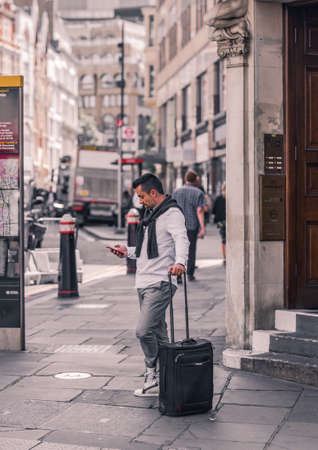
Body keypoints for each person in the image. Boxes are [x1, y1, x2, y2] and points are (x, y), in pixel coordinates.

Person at [109, 173, 189, 397]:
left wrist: (181, 262)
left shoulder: (171, 214)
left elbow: (182, 239)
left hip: (160, 282)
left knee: (143, 331)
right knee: (159, 334)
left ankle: (151, 371)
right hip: (144, 281)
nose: (140, 201)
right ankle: (168, 379)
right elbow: (147, 252)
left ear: (154, 193)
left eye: (142, 196)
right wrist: (127, 251)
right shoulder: (150, 216)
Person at [172, 170, 206, 282]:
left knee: (178, 248)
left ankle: (178, 274)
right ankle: (190, 273)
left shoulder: (176, 192)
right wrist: (203, 228)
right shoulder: (198, 193)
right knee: (191, 249)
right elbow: (200, 210)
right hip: (192, 226)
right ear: (195, 179)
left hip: (178, 225)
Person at [212, 183, 226, 265]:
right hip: (230, 221)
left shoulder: (218, 198)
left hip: (221, 222)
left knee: (223, 240)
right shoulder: (232, 198)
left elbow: (214, 211)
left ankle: (225, 258)